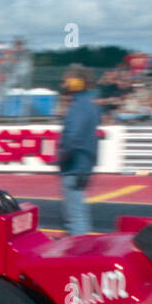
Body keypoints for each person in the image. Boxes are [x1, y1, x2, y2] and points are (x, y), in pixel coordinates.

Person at [57, 65, 99, 236]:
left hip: (74, 165)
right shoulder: (90, 104)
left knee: (75, 216)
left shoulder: (78, 107)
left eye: (67, 78)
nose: (64, 82)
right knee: (77, 210)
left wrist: (63, 155)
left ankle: (78, 254)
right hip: (84, 164)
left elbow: (73, 136)